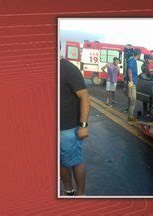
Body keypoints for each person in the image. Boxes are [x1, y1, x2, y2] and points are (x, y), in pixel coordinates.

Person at [60, 58, 90, 196]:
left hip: (68, 128)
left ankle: (81, 195)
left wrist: (83, 125)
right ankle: (68, 191)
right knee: (60, 161)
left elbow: (84, 97)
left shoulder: (67, 68)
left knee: (75, 160)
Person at [126, 48, 142, 122]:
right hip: (132, 82)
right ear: (139, 54)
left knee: (131, 98)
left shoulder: (133, 60)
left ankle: (130, 113)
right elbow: (129, 70)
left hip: (132, 82)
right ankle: (130, 116)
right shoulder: (132, 60)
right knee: (133, 99)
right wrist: (131, 81)